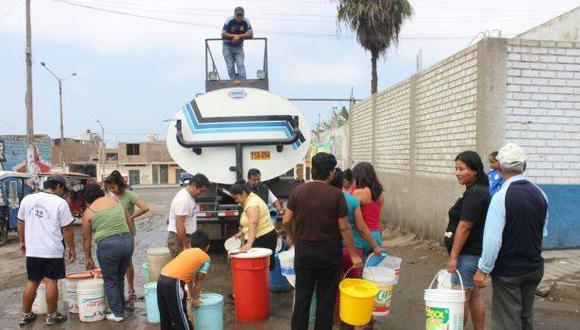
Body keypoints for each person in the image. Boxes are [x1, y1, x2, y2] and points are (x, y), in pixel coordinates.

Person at [283, 152, 362, 330]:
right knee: (326, 299)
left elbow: (286, 220)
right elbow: (343, 227)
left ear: (314, 170)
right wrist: (354, 255)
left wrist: (291, 235)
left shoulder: (298, 191)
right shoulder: (336, 195)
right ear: (331, 172)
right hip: (329, 253)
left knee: (303, 296)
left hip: (304, 251)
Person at [474, 143, 549, 330]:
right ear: (525, 165)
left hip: (509, 272)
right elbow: (542, 233)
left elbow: (493, 240)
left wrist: (483, 269)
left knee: (507, 322)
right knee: (525, 318)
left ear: (498, 166)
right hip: (534, 268)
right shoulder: (540, 194)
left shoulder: (501, 197)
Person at [17, 175, 75, 326]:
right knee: (51, 282)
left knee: (32, 282)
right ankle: (51, 316)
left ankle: (26, 315)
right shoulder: (60, 203)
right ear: (58, 187)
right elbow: (67, 229)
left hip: (33, 251)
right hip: (52, 251)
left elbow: (20, 222)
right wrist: (72, 248)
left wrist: (22, 241)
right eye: (62, 189)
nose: (63, 193)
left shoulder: (27, 199)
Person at [445, 151, 490, 330]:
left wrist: (454, 256)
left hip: (468, 255)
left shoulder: (476, 193)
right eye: (456, 168)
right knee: (474, 296)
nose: (457, 172)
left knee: (460, 299)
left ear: (475, 170)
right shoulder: (475, 190)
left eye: (462, 169)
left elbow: (465, 227)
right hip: (472, 254)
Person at [81, 183, 135, 322]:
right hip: (127, 241)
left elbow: (87, 239)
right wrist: (129, 239)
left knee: (110, 280)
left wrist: (88, 258)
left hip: (108, 246)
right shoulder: (116, 200)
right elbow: (129, 220)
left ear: (87, 199)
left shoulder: (88, 212)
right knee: (119, 277)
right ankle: (120, 307)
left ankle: (117, 313)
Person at [105, 170, 150, 300]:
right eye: (109, 188)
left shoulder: (129, 195)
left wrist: (131, 216)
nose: (111, 190)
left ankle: (131, 290)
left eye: (113, 187)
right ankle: (117, 290)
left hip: (127, 232)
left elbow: (145, 208)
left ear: (120, 184)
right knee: (114, 262)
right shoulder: (108, 196)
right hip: (112, 232)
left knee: (127, 262)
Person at [330, 168, 382, 278]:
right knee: (360, 279)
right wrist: (376, 245)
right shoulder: (379, 194)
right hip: (368, 238)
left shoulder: (356, 194)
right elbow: (368, 224)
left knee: (333, 283)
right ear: (342, 182)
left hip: (335, 245)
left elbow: (352, 227)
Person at [158, 231, 212, 330]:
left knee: (165, 317)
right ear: (207, 247)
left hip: (161, 278)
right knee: (181, 319)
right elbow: (199, 281)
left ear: (190, 244)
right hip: (174, 282)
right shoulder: (205, 258)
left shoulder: (186, 252)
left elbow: (190, 279)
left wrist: (191, 296)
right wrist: (195, 299)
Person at [229, 182, 278, 270]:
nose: (236, 201)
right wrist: (242, 232)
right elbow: (249, 223)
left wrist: (249, 243)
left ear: (243, 193)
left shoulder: (252, 203)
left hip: (263, 238)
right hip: (260, 236)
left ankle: (264, 283)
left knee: (262, 268)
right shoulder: (250, 199)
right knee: (260, 268)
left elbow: (253, 223)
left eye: (236, 198)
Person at [168, 173, 210, 258]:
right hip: (179, 239)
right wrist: (186, 246)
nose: (201, 194)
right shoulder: (183, 199)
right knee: (182, 268)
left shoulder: (190, 197)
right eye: (201, 191)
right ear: (194, 185)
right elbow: (179, 224)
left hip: (185, 238)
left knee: (188, 268)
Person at [352, 162, 385, 255]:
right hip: (376, 235)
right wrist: (379, 242)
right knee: (372, 268)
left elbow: (354, 219)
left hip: (362, 236)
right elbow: (379, 220)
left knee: (360, 268)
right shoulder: (380, 193)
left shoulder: (358, 193)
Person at [222, 6, 253, 80]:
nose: (239, 17)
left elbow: (251, 34)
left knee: (240, 64)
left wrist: (238, 37)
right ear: (234, 14)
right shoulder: (229, 21)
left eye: (241, 15)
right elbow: (223, 34)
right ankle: (233, 81)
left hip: (239, 47)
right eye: (237, 15)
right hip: (227, 46)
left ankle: (243, 81)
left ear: (243, 15)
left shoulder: (246, 22)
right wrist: (234, 36)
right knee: (230, 66)